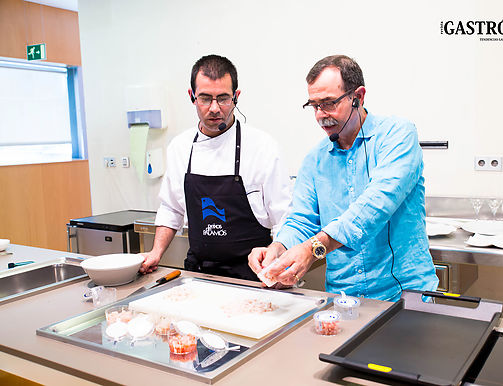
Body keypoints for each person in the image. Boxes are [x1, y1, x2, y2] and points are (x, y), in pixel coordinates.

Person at [248, 55, 438, 301]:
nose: (320, 115)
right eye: (314, 105)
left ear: (358, 97)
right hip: (344, 299)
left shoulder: (397, 135)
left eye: (328, 103)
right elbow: (302, 219)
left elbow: (375, 206)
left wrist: (312, 249)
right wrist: (279, 248)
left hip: (404, 297)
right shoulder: (315, 159)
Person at [141, 54, 291, 281]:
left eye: (223, 98)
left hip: (253, 274)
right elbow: (171, 208)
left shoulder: (262, 147)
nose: (214, 108)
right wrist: (155, 253)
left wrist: (277, 262)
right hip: (199, 274)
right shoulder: (180, 147)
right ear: (192, 97)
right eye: (205, 98)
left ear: (236, 97)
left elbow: (284, 217)